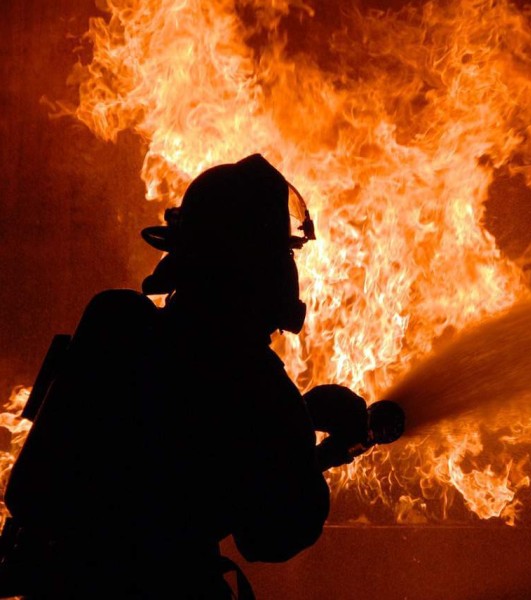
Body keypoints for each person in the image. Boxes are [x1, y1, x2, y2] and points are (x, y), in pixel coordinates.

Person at [0, 154, 385, 598]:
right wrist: (299, 441)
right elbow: (271, 535)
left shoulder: (115, 324)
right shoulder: (257, 386)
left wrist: (296, 432)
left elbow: (74, 486)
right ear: (263, 269)